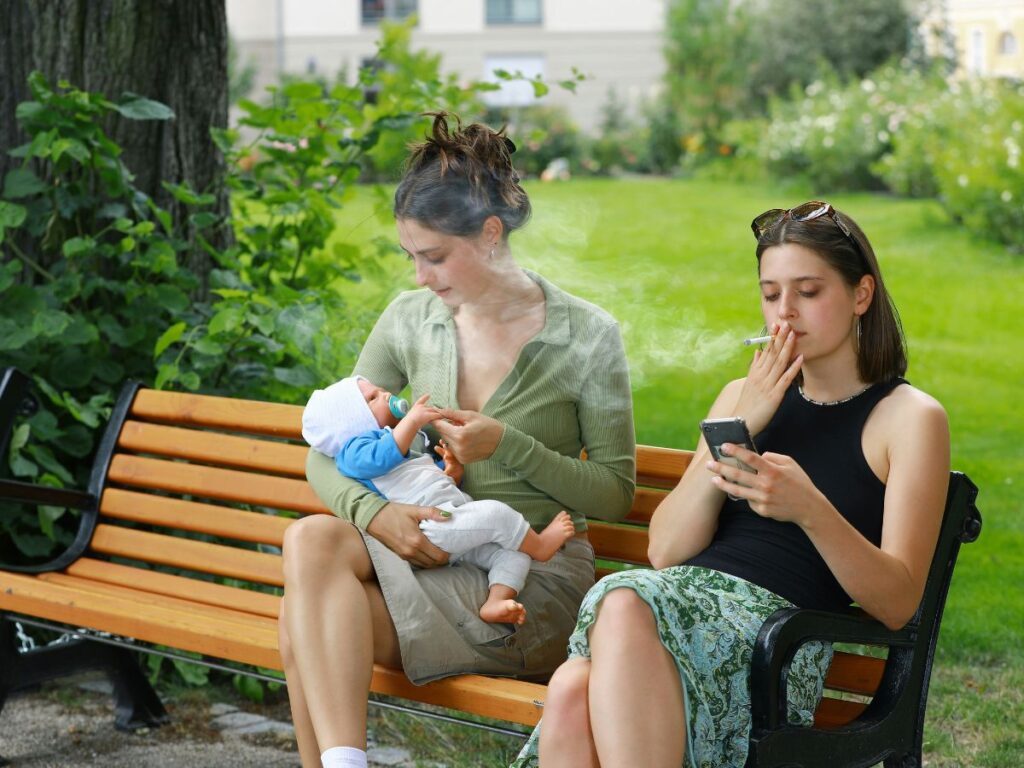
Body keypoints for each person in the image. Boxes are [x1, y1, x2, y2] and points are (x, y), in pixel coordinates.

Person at [511, 201, 950, 768]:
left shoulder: (908, 418)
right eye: (771, 294)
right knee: (574, 685)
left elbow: (897, 602)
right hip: (672, 613)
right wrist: (746, 422)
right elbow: (666, 550)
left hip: (773, 646)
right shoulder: (739, 397)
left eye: (808, 292)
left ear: (861, 295)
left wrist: (809, 509)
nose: (785, 313)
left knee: (605, 632)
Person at [278, 112, 636, 768]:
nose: (420, 277)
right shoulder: (411, 319)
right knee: (311, 544)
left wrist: (508, 445)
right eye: (411, 257)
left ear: (492, 234)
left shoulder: (586, 335)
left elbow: (615, 494)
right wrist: (377, 514)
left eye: (435, 257)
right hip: (432, 556)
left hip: (525, 578)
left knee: (304, 619)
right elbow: (325, 453)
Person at [300, 374, 577, 625]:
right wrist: (412, 420)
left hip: (453, 523)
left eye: (380, 390)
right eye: (372, 399)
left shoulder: (411, 447)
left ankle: (496, 601)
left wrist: (451, 472)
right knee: (496, 513)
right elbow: (382, 455)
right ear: (353, 423)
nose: (385, 395)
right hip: (430, 530)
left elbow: (434, 484)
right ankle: (539, 545)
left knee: (512, 555)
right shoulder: (355, 451)